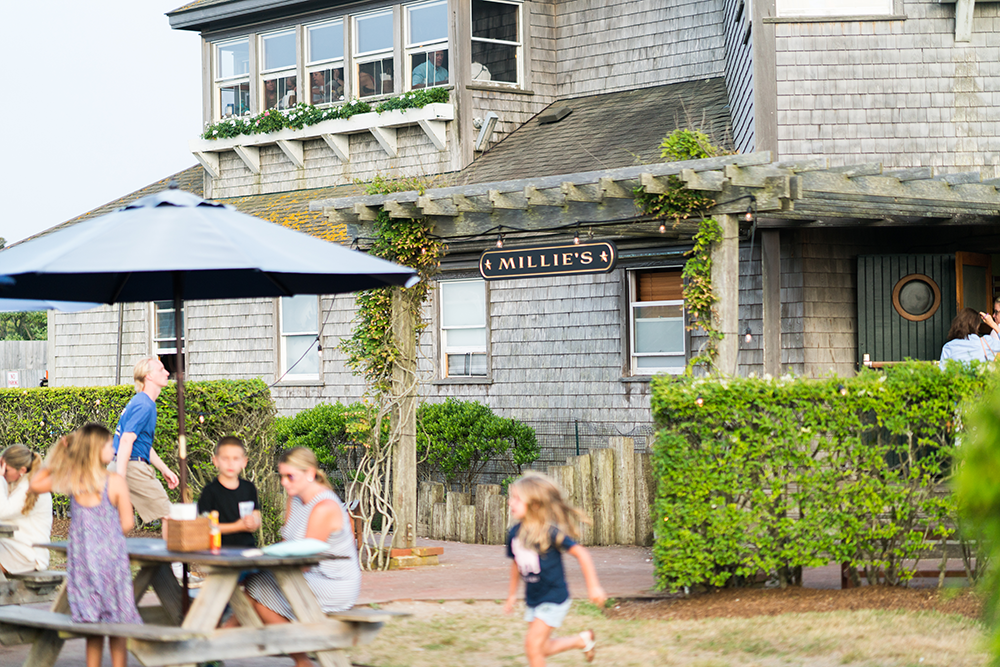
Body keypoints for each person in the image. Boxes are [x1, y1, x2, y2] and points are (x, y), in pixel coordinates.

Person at [31, 424, 141, 667]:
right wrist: (106, 537)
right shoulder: (115, 482)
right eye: (108, 444)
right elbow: (127, 522)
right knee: (116, 625)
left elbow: (36, 483)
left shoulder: (73, 479)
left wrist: (59, 452)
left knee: (93, 626)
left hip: (84, 566)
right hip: (113, 566)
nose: (113, 448)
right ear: (94, 450)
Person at [243, 447, 360, 667]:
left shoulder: (324, 506)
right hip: (304, 574)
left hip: (332, 581)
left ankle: (216, 642)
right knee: (252, 585)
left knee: (255, 586)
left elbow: (304, 561)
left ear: (310, 473)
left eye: (290, 476)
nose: (284, 483)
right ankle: (301, 657)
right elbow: (289, 545)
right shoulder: (294, 500)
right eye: (282, 476)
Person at [504, 472, 605, 666]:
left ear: (534, 504)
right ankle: (581, 640)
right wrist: (511, 595)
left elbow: (582, 554)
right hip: (534, 599)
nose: (511, 503)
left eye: (517, 498)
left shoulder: (550, 533)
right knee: (541, 648)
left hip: (554, 598)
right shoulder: (514, 534)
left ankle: (581, 640)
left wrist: (594, 587)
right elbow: (516, 564)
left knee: (532, 647)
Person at [111, 357, 178, 528]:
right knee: (168, 515)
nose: (167, 373)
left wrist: (164, 469)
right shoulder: (144, 405)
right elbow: (126, 440)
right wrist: (120, 478)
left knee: (119, 522)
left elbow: (141, 445)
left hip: (123, 463)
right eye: (161, 369)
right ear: (148, 376)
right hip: (131, 466)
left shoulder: (141, 401)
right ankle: (172, 555)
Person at [197, 436, 262, 548]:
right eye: (225, 458)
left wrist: (254, 522)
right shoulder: (210, 491)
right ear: (215, 461)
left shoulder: (249, 488)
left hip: (247, 549)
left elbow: (257, 516)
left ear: (244, 462)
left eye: (236, 459)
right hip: (218, 551)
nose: (230, 463)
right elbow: (203, 527)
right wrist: (237, 526)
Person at [0, 445, 52, 573]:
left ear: (22, 470)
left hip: (28, 554)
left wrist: (0, 478)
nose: (3, 472)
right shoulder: (18, 484)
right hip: (13, 548)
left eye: (6, 469)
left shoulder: (31, 489)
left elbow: (2, 511)